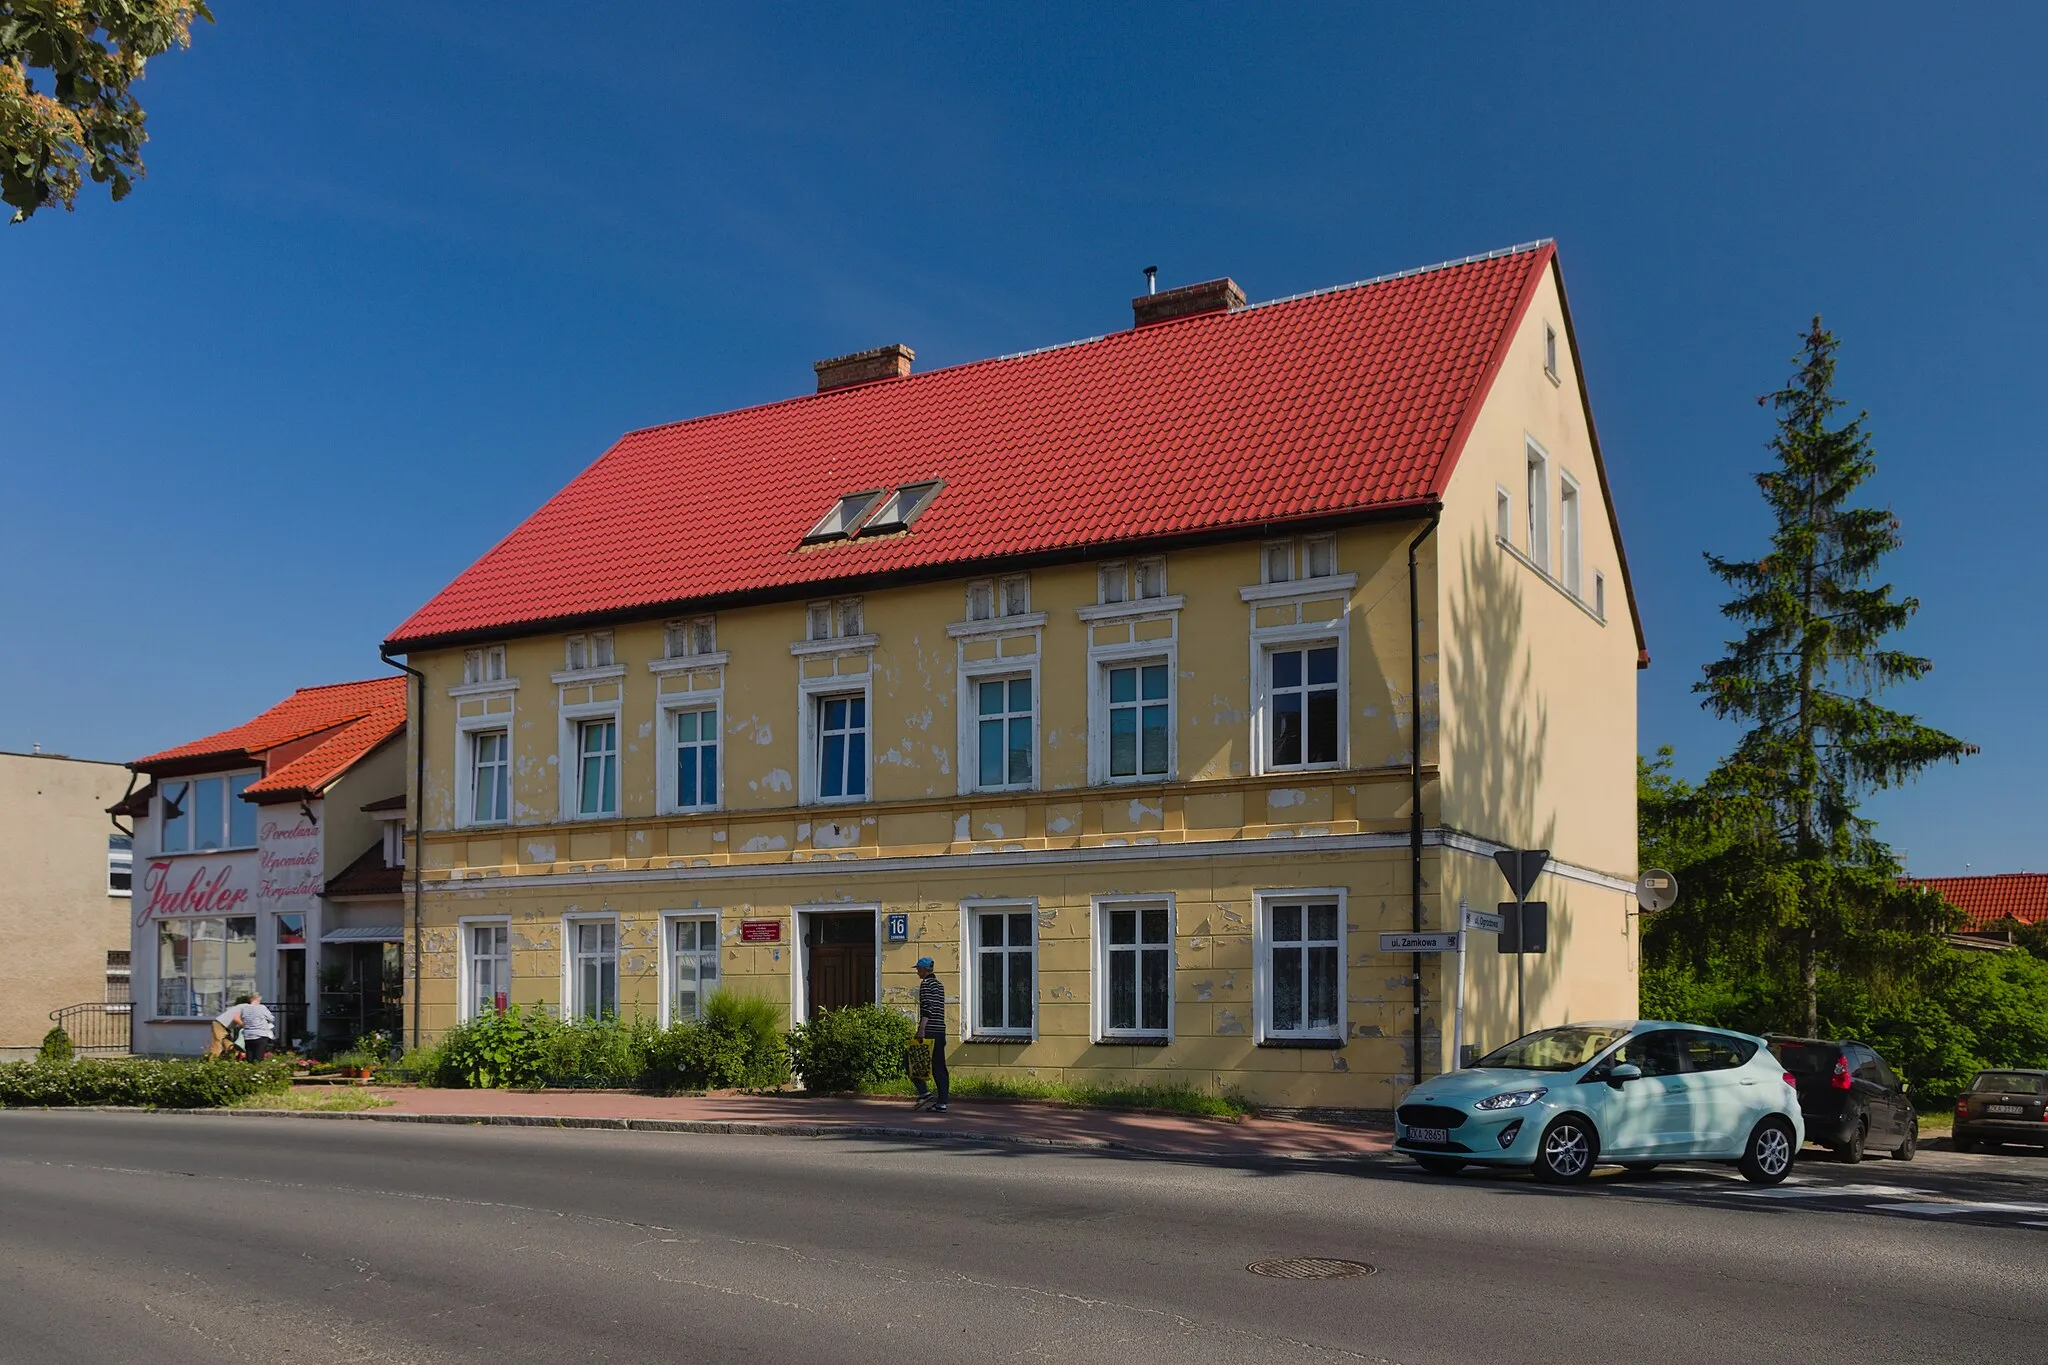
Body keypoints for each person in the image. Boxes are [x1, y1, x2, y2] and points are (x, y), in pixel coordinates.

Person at [911, 957, 949, 1112]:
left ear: (924, 970)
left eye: (918, 969)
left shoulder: (925, 985)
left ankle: (924, 1092)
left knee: (911, 1060)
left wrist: (921, 1030)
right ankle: (942, 1102)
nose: (917, 972)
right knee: (940, 1067)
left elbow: (927, 1009)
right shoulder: (939, 985)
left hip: (929, 1030)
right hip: (940, 1030)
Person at [215, 992, 278, 1062]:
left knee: (247, 1056)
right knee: (258, 1058)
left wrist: (248, 1027)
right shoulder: (258, 1007)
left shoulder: (245, 1008)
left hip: (247, 1035)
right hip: (259, 1035)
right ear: (258, 999)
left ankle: (231, 1060)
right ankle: (216, 1061)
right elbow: (271, 1018)